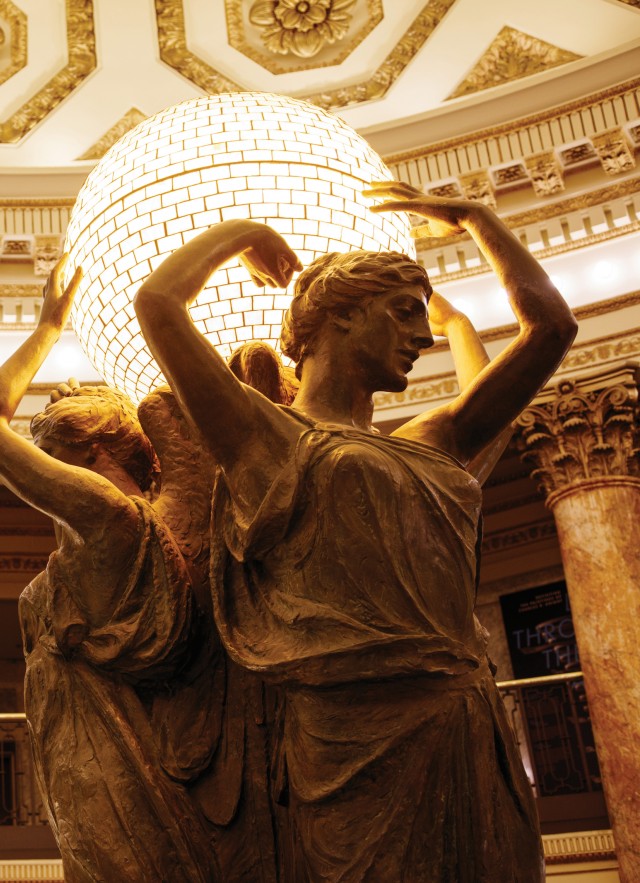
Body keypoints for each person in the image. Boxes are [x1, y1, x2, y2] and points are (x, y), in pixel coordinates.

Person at [134, 181, 578, 882]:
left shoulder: (436, 436)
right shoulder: (266, 436)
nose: (423, 335)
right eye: (402, 311)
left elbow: (551, 329)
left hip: (466, 719)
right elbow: (158, 305)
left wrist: (476, 218)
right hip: (353, 737)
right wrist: (245, 229)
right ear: (334, 316)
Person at [0, 259, 295, 882]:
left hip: (109, 759)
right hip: (96, 748)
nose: (45, 478)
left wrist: (48, 327)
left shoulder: (111, 519)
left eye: (51, 457)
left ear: (92, 448)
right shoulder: (138, 526)